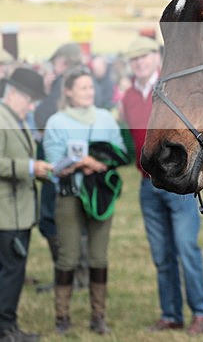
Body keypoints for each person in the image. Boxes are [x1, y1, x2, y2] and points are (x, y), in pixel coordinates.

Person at [118, 36, 203, 336]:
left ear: (155, 57)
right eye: (134, 59)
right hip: (147, 185)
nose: (139, 63)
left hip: (177, 184)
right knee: (161, 254)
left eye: (144, 56)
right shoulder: (127, 97)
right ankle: (171, 314)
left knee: (186, 248)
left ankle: (200, 312)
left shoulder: (172, 89)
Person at [43, 66, 124, 335]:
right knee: (68, 256)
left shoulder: (105, 119)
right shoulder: (56, 122)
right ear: (68, 92)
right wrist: (75, 165)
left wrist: (97, 162)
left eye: (91, 87)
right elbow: (53, 164)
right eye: (82, 88)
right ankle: (61, 317)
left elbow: (119, 153)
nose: (89, 92)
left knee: (98, 257)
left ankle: (98, 316)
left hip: (100, 196)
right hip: (70, 196)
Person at [0, 68, 52, 342]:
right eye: (30, 99)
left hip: (17, 212)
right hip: (7, 215)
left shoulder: (15, 119)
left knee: (11, 272)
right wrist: (29, 168)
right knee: (11, 273)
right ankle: (6, 329)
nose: (32, 106)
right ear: (16, 94)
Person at [34, 43, 85, 290]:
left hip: (58, 159)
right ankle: (78, 276)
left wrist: (46, 91)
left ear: (62, 62)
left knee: (50, 218)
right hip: (75, 158)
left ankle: (68, 277)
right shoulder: (82, 82)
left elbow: (42, 115)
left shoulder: (62, 84)